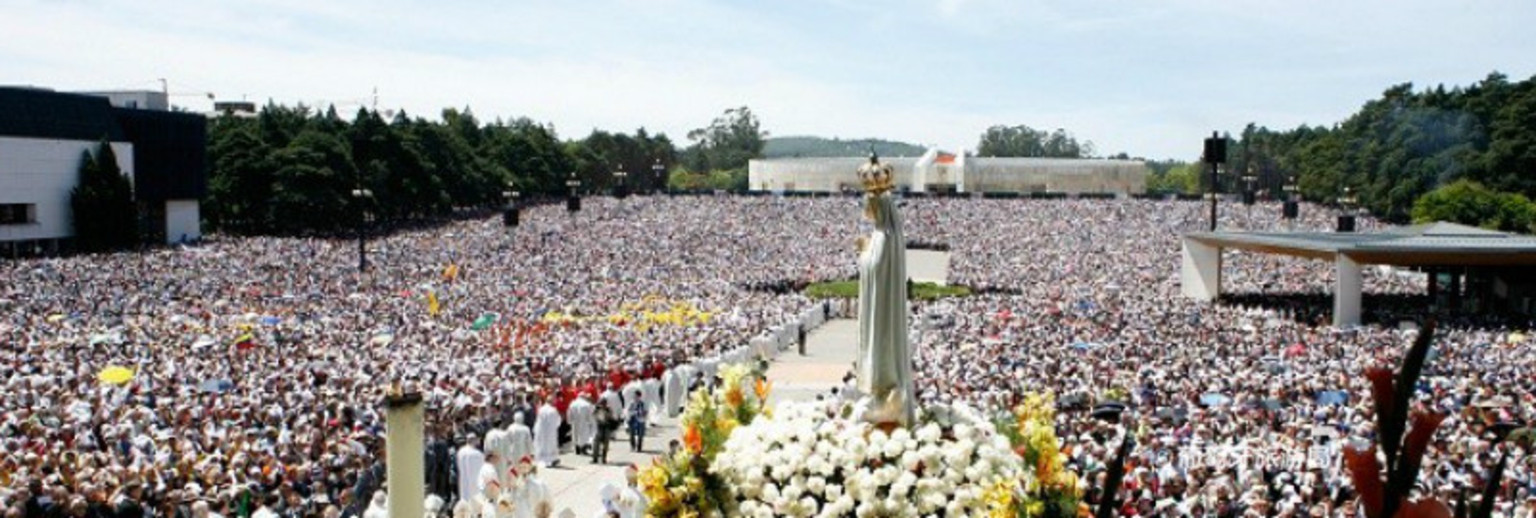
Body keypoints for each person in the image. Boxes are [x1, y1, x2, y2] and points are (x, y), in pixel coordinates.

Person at [532, 401, 562, 468]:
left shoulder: (541, 409)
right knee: (550, 446)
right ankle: (550, 460)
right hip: (550, 431)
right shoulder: (553, 410)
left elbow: (538, 419)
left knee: (541, 445)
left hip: (541, 430)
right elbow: (558, 421)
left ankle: (542, 459)